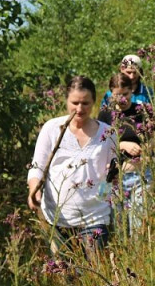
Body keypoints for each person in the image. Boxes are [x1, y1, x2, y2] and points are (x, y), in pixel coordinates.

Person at [27, 75, 118, 254]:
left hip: (95, 217)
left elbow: (113, 175)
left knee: (93, 275)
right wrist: (34, 190)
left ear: (94, 102)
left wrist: (109, 185)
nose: (79, 108)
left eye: (85, 103)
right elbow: (36, 166)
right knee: (66, 275)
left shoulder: (108, 134)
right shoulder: (52, 129)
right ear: (66, 101)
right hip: (58, 217)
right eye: (74, 102)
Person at [98, 73, 155, 233]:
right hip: (115, 177)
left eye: (126, 94)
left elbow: (151, 141)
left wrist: (143, 153)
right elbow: (99, 144)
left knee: (138, 224)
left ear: (132, 92)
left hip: (140, 175)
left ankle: (139, 255)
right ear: (111, 93)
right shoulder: (105, 115)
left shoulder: (141, 111)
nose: (122, 99)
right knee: (118, 224)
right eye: (117, 95)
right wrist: (122, 144)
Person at [101, 53, 155, 119]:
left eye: (135, 72)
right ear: (121, 69)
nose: (131, 77)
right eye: (128, 72)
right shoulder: (109, 94)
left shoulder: (149, 93)